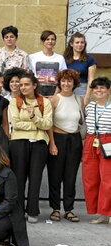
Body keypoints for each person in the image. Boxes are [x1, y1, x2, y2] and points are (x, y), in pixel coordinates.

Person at [8, 72, 52, 223]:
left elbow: (48, 124)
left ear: (34, 85)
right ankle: (18, 210)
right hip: (19, 143)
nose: (23, 87)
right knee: (19, 178)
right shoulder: (15, 102)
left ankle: (33, 211)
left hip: (39, 143)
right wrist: (36, 125)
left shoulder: (44, 102)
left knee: (35, 177)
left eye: (27, 84)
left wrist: (34, 117)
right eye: (21, 85)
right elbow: (16, 124)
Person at [48, 69, 84, 223]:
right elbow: (48, 124)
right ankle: (55, 209)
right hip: (58, 138)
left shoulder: (79, 99)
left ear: (74, 83)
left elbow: (81, 122)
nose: (66, 84)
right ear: (59, 82)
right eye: (63, 81)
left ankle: (69, 209)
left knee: (71, 176)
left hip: (75, 140)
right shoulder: (54, 99)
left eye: (69, 81)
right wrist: (52, 144)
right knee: (55, 176)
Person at [82, 77, 111, 224]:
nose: (99, 90)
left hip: (108, 141)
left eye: (102, 87)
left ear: (108, 90)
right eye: (96, 88)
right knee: (91, 179)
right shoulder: (89, 107)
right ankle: (101, 214)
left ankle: (109, 212)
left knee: (108, 179)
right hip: (91, 141)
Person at [28, 30, 66, 97]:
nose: (50, 41)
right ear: (42, 41)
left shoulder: (60, 58)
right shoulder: (33, 57)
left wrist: (55, 95)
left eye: (52, 39)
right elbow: (29, 77)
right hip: (37, 93)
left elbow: (63, 77)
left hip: (55, 93)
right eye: (47, 39)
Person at [64, 32, 97, 102]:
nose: (80, 45)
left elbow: (91, 79)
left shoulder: (90, 60)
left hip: (82, 90)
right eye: (77, 42)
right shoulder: (65, 59)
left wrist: (87, 97)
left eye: (82, 42)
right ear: (71, 44)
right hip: (67, 89)